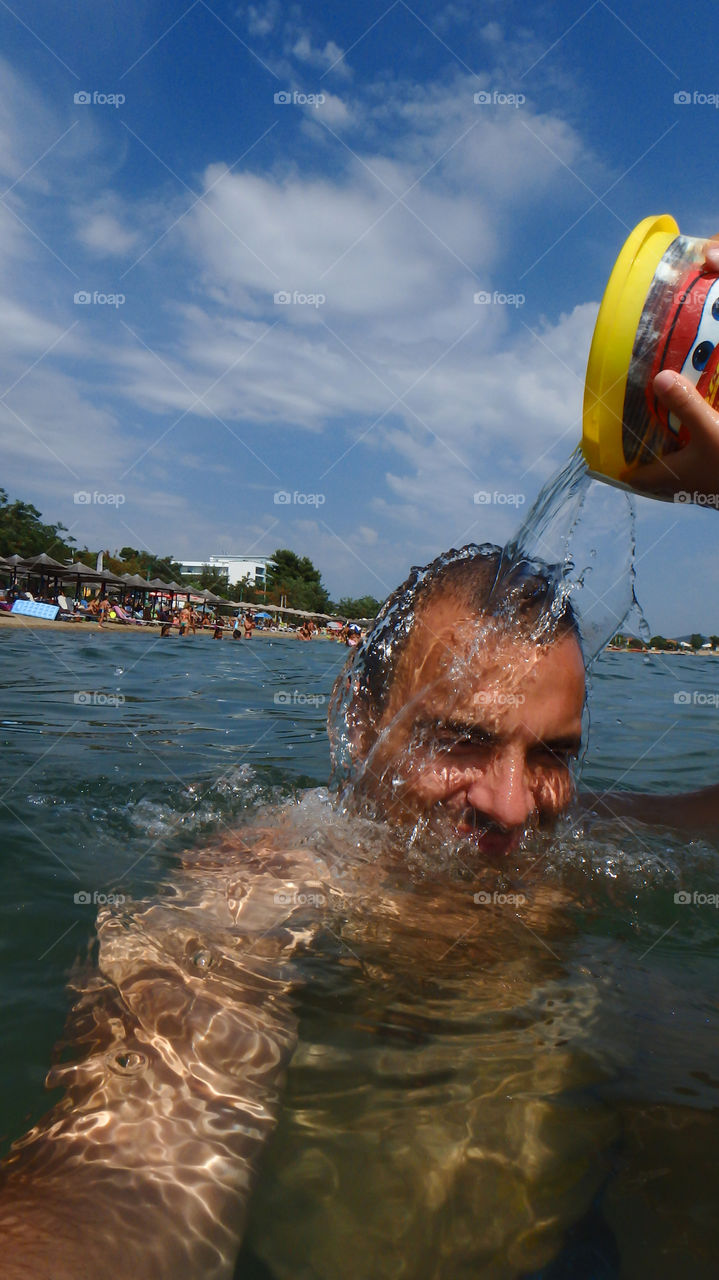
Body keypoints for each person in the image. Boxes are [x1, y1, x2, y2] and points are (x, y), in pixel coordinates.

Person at [3, 380, 719, 1276]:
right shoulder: (268, 882)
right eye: (461, 739)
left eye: (551, 757)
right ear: (355, 722)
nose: (508, 805)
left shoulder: (571, 835)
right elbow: (117, 1183)